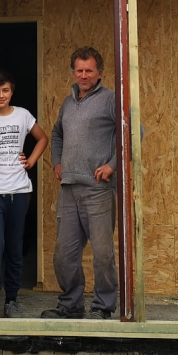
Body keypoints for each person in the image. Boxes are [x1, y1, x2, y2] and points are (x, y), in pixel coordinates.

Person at [41, 46, 118, 320]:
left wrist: (112, 165)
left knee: (103, 253)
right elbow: (57, 132)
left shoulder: (111, 100)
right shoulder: (67, 102)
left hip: (98, 190)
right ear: (73, 72)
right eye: (79, 70)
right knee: (64, 253)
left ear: (100, 73)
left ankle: (103, 307)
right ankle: (71, 305)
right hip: (68, 188)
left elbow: (134, 132)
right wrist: (58, 160)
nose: (83, 75)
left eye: (89, 70)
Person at [0, 69, 48, 319]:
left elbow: (42, 138)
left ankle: (12, 300)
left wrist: (31, 162)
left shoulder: (23, 115)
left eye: (5, 90)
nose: (1, 95)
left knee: (15, 247)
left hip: (20, 190)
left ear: (12, 91)